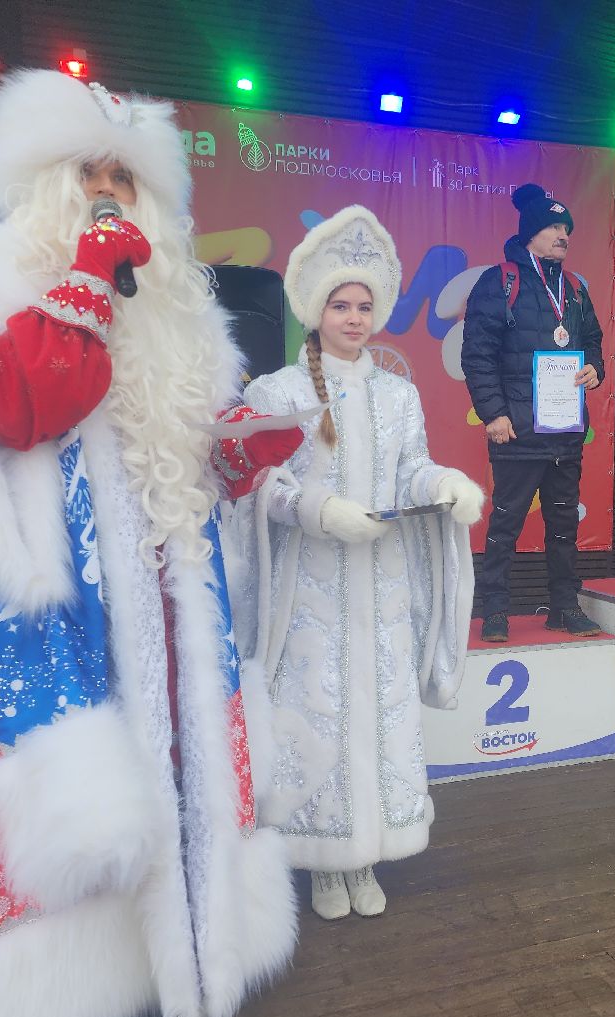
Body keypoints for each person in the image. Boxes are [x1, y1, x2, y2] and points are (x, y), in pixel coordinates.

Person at [0, 70, 304, 1017]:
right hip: (49, 631)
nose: (108, 195)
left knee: (170, 784)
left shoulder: (180, 329)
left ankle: (156, 969)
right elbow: (26, 408)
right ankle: (37, 1000)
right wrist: (91, 278)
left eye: (125, 180)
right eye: (87, 175)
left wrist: (240, 451)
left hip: (163, 615)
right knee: (76, 808)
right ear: (45, 186)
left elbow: (177, 474)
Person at [226, 205, 484, 921]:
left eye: (364, 305)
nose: (353, 316)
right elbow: (256, 484)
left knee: (379, 714)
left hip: (383, 589)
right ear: (315, 309)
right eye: (340, 304)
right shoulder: (277, 392)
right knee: (315, 715)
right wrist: (317, 510)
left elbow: (412, 471)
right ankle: (319, 864)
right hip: (310, 595)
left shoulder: (398, 395)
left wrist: (444, 486)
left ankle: (368, 851)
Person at [461, 182, 606, 642]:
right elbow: (478, 355)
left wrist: (594, 371)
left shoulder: (578, 288)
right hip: (516, 432)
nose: (563, 235)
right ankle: (496, 613)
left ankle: (564, 607)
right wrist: (494, 414)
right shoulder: (500, 281)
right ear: (530, 233)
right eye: (553, 227)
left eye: (567, 228)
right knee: (505, 525)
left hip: (565, 432)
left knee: (564, 527)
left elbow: (594, 345)